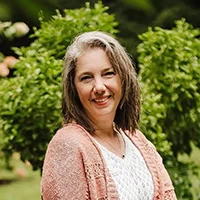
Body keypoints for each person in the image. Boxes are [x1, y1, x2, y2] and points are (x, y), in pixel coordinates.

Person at [41, 31, 177, 200]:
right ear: (74, 89)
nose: (99, 87)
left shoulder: (137, 140)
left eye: (108, 73)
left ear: (124, 79)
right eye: (86, 78)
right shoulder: (68, 145)